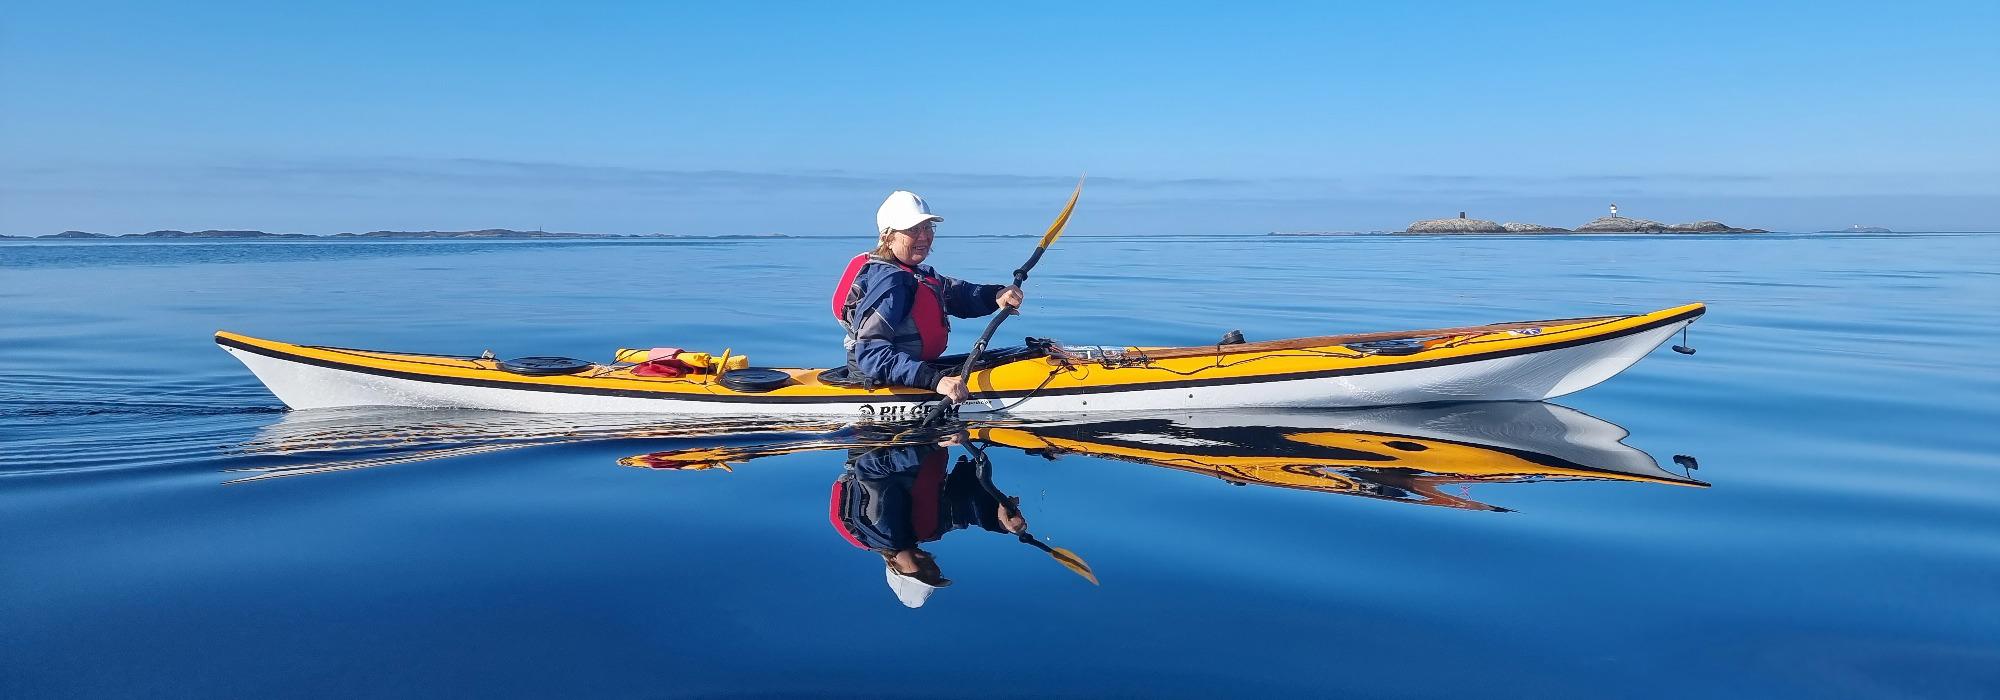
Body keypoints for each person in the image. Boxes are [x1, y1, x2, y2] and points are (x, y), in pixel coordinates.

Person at [835, 191, 1024, 401]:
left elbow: (958, 294)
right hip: (881, 383)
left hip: (912, 374)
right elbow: (871, 354)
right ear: (888, 238)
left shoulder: (918, 273)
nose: (924, 236)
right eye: (913, 229)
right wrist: (935, 381)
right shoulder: (889, 283)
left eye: (927, 227)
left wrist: (995, 295)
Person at [829, 430, 1030, 608]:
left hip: (886, 432)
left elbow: (869, 468)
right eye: (935, 574)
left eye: (921, 575)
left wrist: (933, 443)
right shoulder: (923, 532)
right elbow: (964, 512)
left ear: (895, 568)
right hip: (928, 432)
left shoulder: (878, 528)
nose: (930, 567)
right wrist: (999, 519)